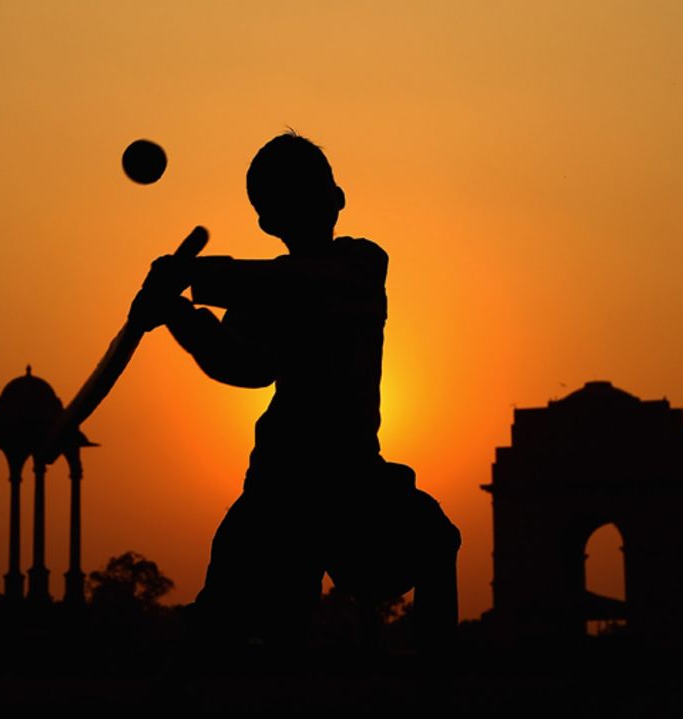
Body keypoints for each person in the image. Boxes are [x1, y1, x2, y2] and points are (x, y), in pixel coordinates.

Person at [130, 132, 460, 657]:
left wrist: (191, 277)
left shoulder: (359, 264)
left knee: (435, 542)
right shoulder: (261, 294)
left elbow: (299, 284)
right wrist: (176, 315)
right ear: (268, 221)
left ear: (337, 199)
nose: (308, 205)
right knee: (225, 632)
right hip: (282, 485)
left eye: (311, 191)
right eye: (290, 198)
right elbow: (239, 365)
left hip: (351, 477)